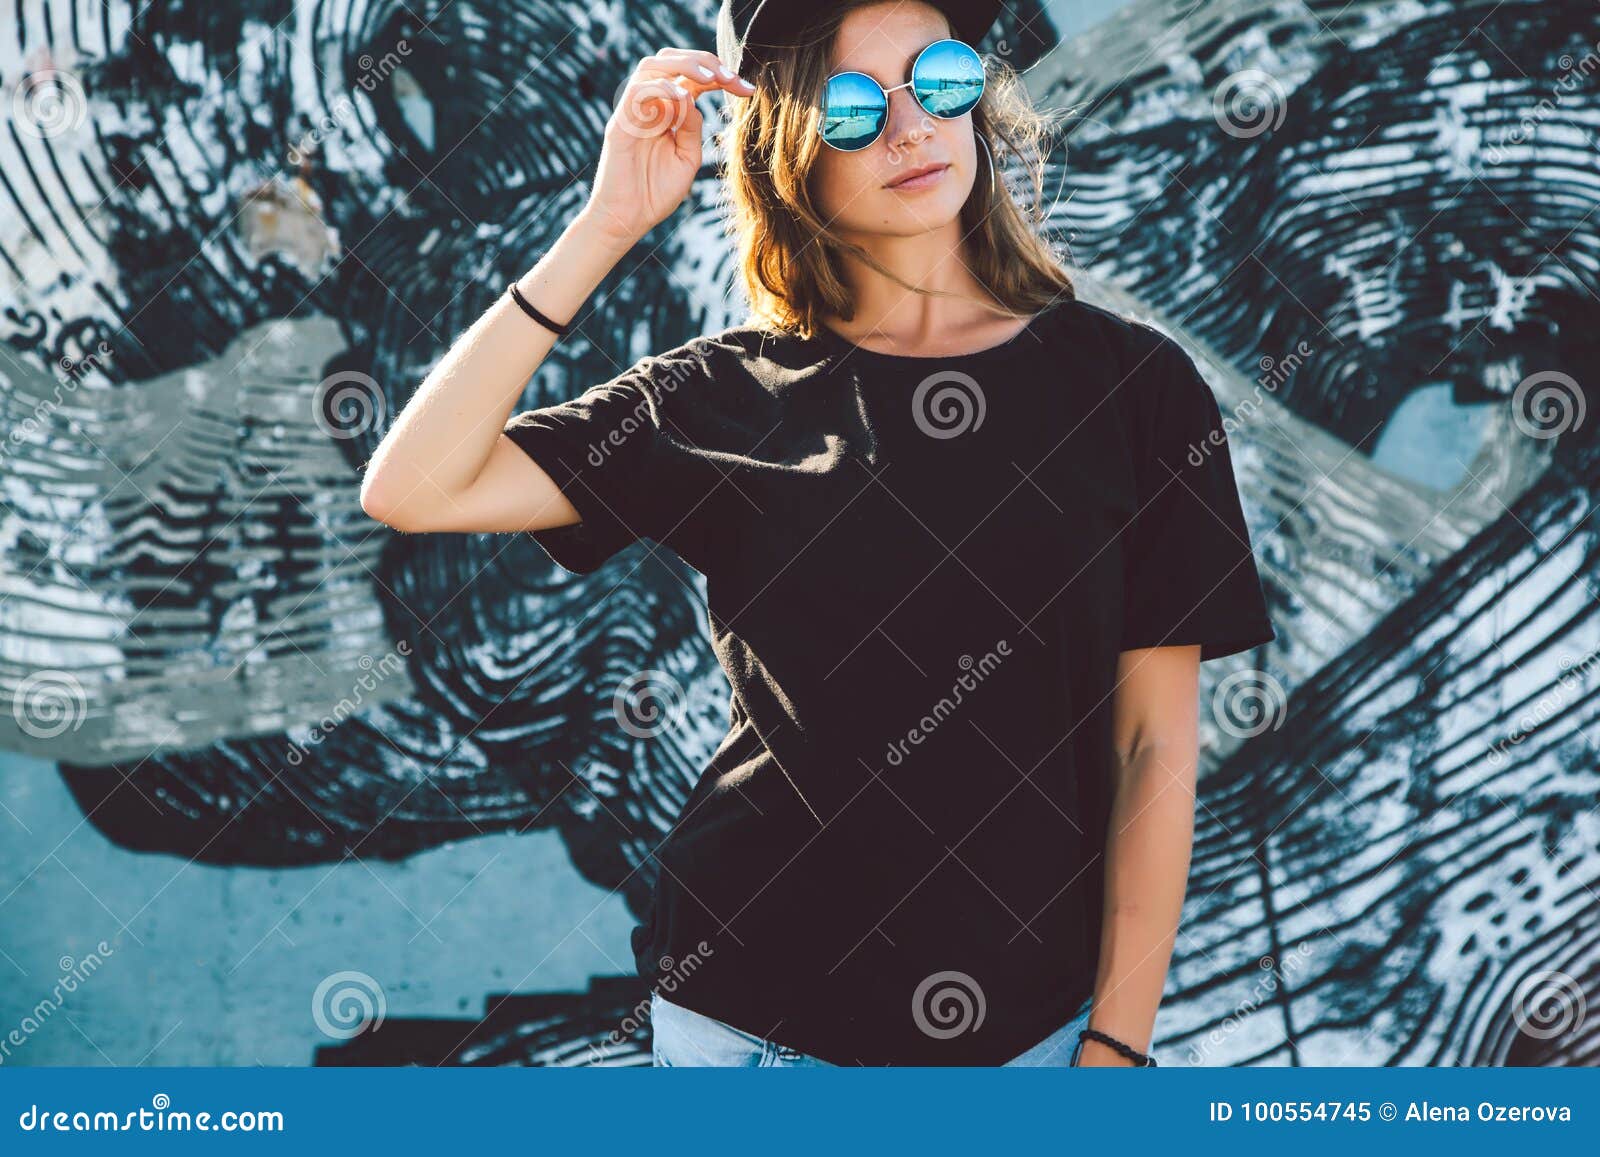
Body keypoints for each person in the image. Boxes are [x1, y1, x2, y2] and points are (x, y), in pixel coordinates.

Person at [360, 0, 1276, 1068]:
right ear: (787, 150)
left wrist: (1116, 1042)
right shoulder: (723, 396)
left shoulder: (1131, 391)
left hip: (1021, 1041)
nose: (908, 127)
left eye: (934, 79)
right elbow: (414, 485)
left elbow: (1153, 744)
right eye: (849, 108)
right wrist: (606, 222)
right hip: (742, 1025)